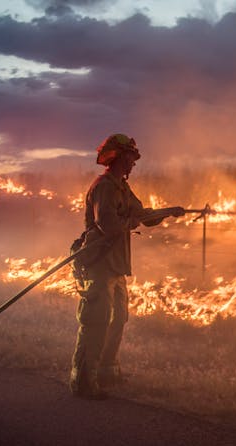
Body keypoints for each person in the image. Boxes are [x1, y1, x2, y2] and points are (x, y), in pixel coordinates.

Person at [70, 133, 184, 399]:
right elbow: (108, 225)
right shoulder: (104, 187)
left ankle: (107, 373)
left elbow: (142, 216)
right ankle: (84, 381)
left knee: (118, 319)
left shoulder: (122, 187)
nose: (134, 163)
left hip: (117, 266)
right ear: (120, 158)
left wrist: (169, 211)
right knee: (96, 322)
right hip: (99, 264)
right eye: (131, 158)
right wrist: (131, 221)